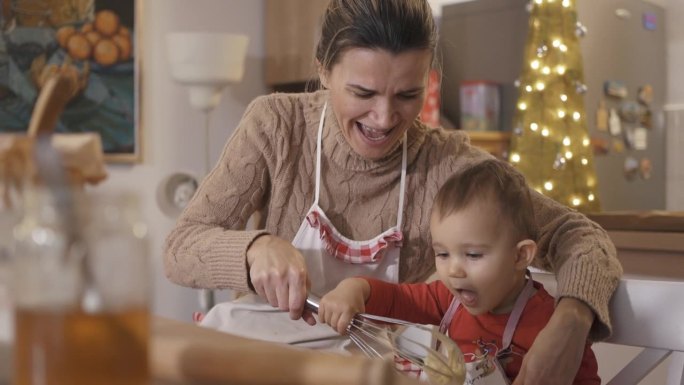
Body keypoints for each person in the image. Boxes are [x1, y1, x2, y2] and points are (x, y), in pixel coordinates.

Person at [163, 0, 622, 383]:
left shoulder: (449, 165)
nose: (384, 119)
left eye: (407, 95)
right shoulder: (276, 126)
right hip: (274, 360)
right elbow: (180, 248)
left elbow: (582, 237)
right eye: (363, 92)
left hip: (377, 368)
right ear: (323, 70)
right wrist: (253, 248)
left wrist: (571, 321)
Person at [316, 159, 601, 384]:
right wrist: (354, 290)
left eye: (473, 255)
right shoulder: (447, 300)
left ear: (520, 255)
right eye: (442, 253)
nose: (453, 270)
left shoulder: (551, 325)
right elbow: (397, 300)